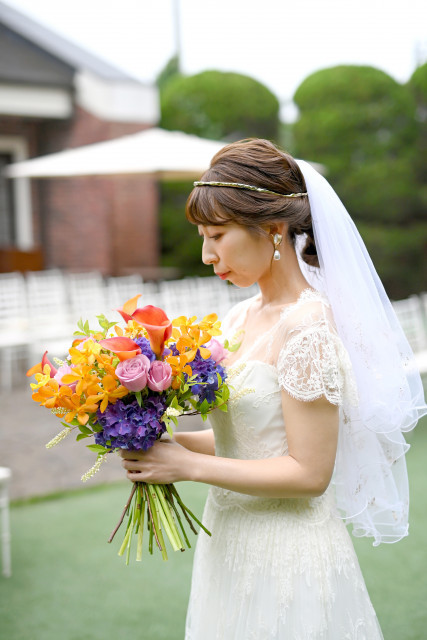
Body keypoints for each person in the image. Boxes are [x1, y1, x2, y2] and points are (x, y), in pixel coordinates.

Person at [121, 139, 427, 639]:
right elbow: (247, 438)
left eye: (217, 235)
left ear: (273, 229)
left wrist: (189, 467)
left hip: (288, 549)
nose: (206, 254)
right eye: (203, 236)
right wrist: (158, 447)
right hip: (228, 539)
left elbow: (310, 472)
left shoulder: (307, 328)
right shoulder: (240, 317)